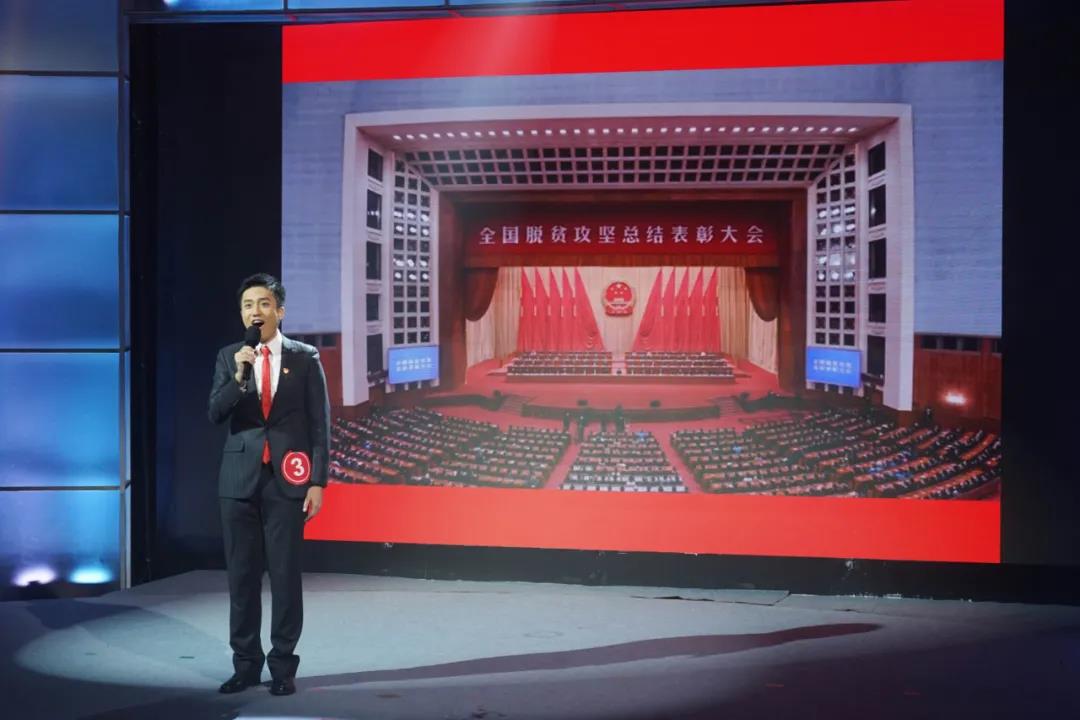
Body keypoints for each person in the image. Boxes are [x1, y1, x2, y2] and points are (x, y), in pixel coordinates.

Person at [208, 273, 330, 697]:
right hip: (238, 481)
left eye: (262, 303)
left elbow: (320, 424)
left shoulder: (305, 357)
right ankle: (245, 665)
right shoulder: (230, 357)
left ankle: (282, 666)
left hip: (287, 481)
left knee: (284, 576)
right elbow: (215, 413)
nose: (254, 312)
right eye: (247, 305)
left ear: (279, 310)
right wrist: (239, 376)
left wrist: (318, 481)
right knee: (242, 578)